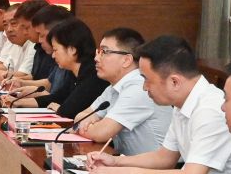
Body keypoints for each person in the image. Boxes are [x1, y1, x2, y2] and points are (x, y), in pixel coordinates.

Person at [88, 38, 231, 174]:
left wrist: (128, 173)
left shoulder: (209, 110)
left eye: (147, 79)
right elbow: (164, 158)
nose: (144, 87)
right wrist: (116, 161)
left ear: (174, 82)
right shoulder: (183, 102)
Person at [68, 27, 171, 156]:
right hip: (128, 162)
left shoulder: (139, 87)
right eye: (98, 51)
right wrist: (89, 125)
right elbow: (81, 117)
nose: (96, 58)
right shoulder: (113, 88)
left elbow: (101, 132)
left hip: (158, 166)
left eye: (104, 52)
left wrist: (89, 126)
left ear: (126, 60)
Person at [43, 16, 106, 116]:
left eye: (55, 50)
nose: (53, 55)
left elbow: (70, 110)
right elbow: (58, 97)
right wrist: (21, 101)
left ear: (72, 49)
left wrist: (60, 109)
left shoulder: (93, 74)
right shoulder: (73, 72)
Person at [0, 0, 45, 81]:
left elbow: (22, 76)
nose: (9, 29)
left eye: (14, 23)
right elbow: (6, 68)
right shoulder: (16, 43)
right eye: (5, 25)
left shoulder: (34, 45)